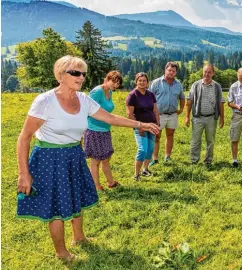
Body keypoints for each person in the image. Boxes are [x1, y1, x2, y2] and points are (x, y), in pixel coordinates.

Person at [16, 56, 159, 261]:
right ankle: (61, 252)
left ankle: (79, 237)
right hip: (50, 157)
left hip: (74, 154)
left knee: (76, 197)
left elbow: (109, 118)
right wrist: (23, 173)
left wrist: (140, 125)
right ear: (61, 75)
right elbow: (24, 137)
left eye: (83, 73)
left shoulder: (83, 99)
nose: (81, 77)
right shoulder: (45, 101)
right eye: (75, 72)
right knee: (56, 207)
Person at [84, 70, 123, 191]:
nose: (115, 85)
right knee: (95, 161)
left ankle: (111, 182)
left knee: (106, 158)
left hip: (105, 130)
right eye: (113, 82)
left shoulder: (109, 91)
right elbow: (87, 109)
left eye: (117, 84)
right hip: (94, 130)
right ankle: (96, 185)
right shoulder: (97, 91)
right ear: (106, 79)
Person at [184, 64, 225, 165]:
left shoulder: (217, 86)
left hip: (211, 118)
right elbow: (189, 101)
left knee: (210, 141)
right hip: (198, 117)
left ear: (213, 73)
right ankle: (194, 161)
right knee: (195, 140)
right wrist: (187, 117)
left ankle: (208, 161)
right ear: (202, 72)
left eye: (209, 72)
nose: (207, 74)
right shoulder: (196, 85)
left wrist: (222, 118)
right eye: (205, 71)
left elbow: (220, 102)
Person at [126, 73, 160, 181]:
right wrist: (138, 127)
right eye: (139, 80)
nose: (142, 82)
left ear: (147, 82)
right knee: (142, 149)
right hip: (140, 126)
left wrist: (157, 123)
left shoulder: (150, 94)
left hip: (152, 125)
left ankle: (145, 169)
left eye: (144, 80)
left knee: (150, 149)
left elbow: (155, 109)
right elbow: (129, 113)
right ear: (136, 81)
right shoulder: (132, 95)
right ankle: (136, 174)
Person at [149, 62, 185, 164]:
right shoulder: (156, 83)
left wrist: (181, 109)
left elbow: (182, 97)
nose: (171, 73)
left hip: (172, 114)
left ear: (176, 72)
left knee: (170, 135)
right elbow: (149, 98)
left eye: (173, 71)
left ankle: (167, 156)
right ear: (165, 70)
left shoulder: (178, 84)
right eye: (169, 70)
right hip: (158, 115)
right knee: (157, 136)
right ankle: (155, 158)